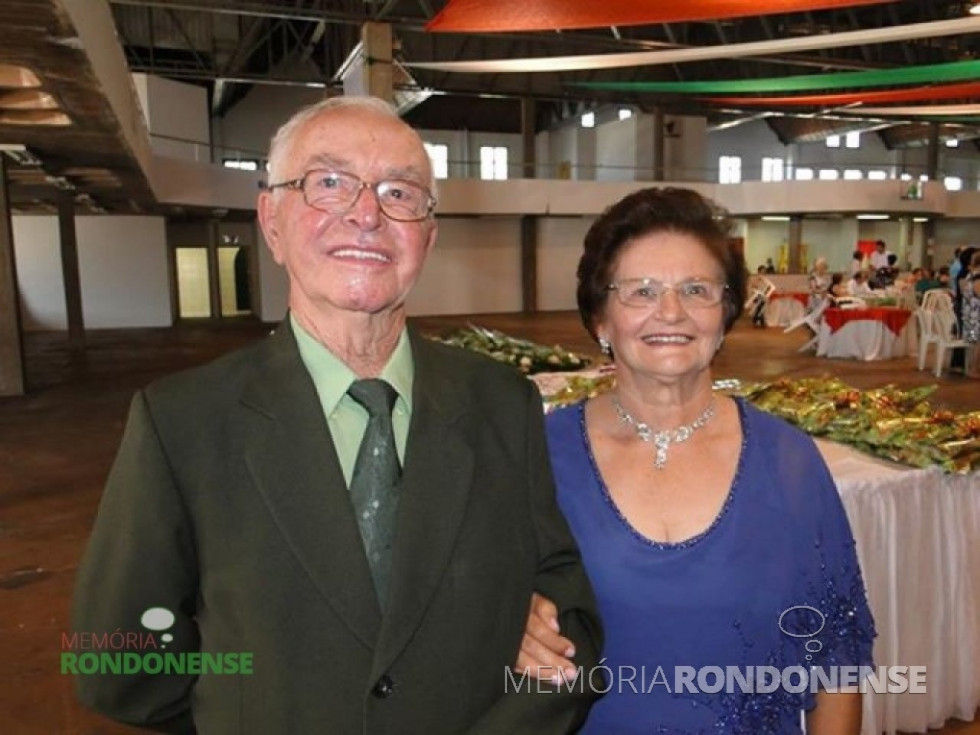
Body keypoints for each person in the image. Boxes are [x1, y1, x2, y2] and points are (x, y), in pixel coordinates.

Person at [72, 96, 602, 734]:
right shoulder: (181, 422)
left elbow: (565, 604)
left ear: (427, 237)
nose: (367, 214)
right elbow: (115, 662)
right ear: (272, 220)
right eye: (328, 183)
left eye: (400, 193)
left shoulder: (500, 402)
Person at [518, 188, 875, 734]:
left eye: (695, 289)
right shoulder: (538, 456)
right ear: (600, 319)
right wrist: (507, 621)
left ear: (725, 311)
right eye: (640, 291)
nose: (671, 312)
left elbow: (837, 657)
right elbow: (474, 607)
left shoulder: (788, 460)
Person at [962, 250, 980, 379]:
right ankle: (974, 369)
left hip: (971, 315)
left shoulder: (971, 275)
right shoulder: (977, 277)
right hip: (975, 318)